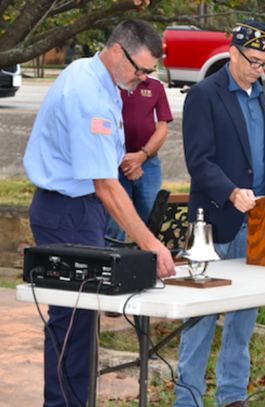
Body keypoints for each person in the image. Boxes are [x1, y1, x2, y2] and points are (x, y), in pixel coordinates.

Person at [23, 20, 176, 407]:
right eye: (139, 69)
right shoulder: (88, 93)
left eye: (149, 72)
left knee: (80, 324)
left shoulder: (100, 80)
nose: (143, 79)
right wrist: (151, 244)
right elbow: (105, 184)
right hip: (67, 211)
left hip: (79, 210)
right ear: (115, 51)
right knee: (71, 324)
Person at [173, 20, 265, 407]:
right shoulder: (204, 95)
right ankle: (188, 398)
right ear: (233, 52)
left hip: (259, 224)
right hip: (213, 221)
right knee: (202, 316)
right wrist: (231, 192)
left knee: (243, 317)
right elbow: (199, 161)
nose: (260, 68)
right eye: (254, 60)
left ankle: (232, 395)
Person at [105, 76, 173, 243]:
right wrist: (126, 160)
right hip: (114, 163)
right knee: (114, 221)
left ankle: (147, 262)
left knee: (151, 219)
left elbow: (162, 128)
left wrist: (141, 156)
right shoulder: (110, 84)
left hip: (148, 164)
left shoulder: (155, 86)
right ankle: (114, 263)